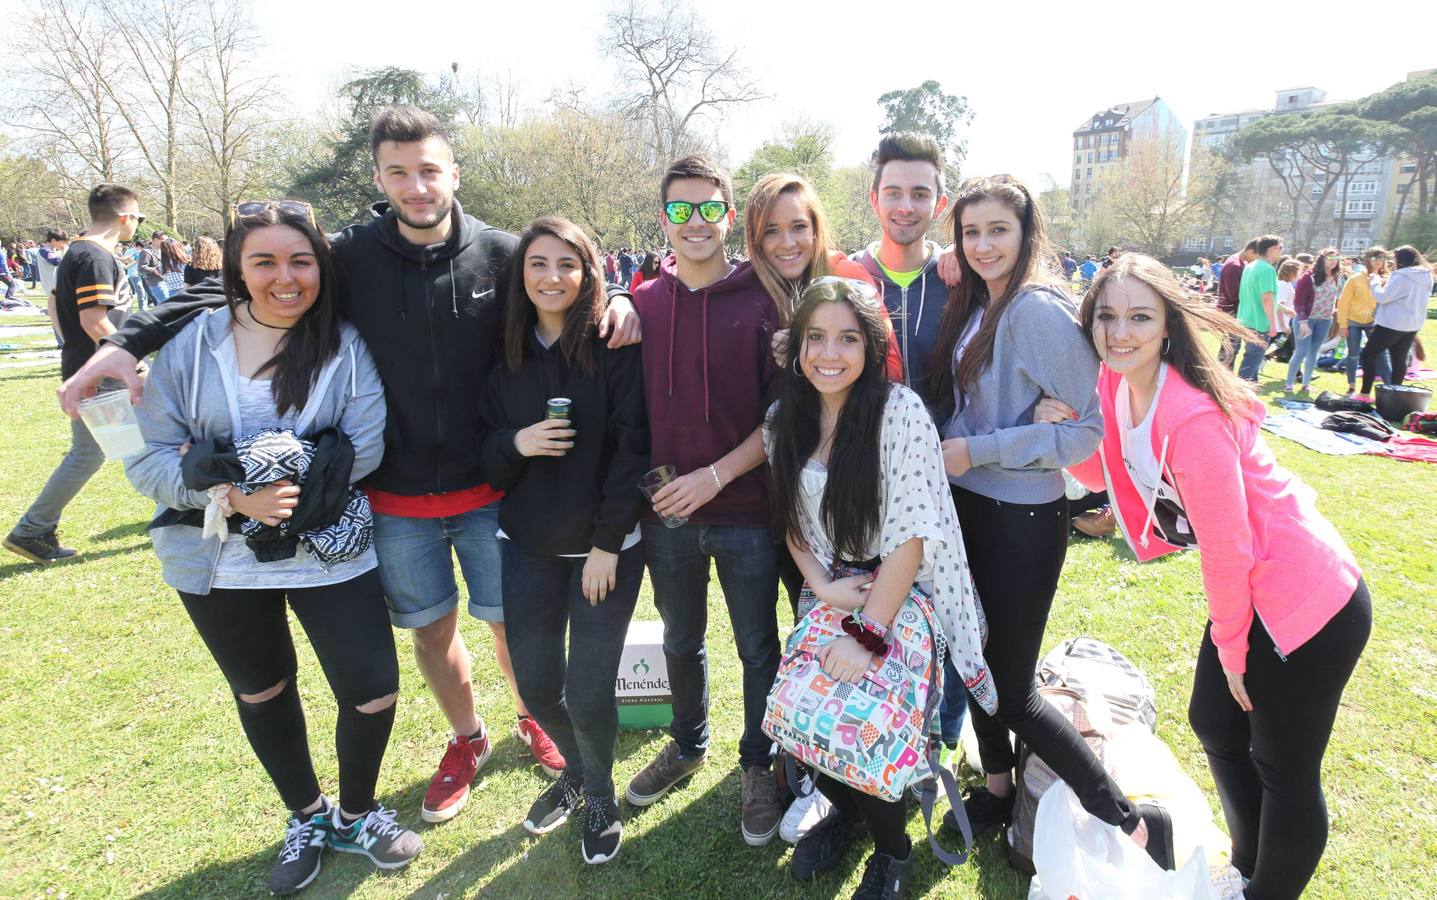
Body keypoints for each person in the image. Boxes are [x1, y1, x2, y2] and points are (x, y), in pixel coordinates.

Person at [55, 105, 643, 826]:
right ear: (379, 178)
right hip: (394, 497)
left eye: (429, 170)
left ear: (452, 172)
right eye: (399, 172)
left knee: (509, 626)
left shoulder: (502, 252)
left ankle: (535, 720)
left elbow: (570, 277)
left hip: (497, 488)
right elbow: (245, 282)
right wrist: (127, 340)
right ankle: (467, 737)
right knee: (433, 630)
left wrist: (616, 296)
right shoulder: (349, 254)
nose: (417, 186)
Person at [1038, 253, 1369, 900]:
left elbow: (1228, 548)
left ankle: (1261, 892)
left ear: (1166, 325)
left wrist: (1232, 648)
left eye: (1139, 317)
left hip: (1307, 599)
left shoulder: (1190, 418)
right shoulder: (1114, 386)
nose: (1119, 331)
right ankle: (1244, 871)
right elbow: (1105, 477)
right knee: (1214, 722)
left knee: (1283, 765)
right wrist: (1063, 433)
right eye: (1106, 316)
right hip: (1255, 592)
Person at [123, 201, 423, 895]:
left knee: (372, 689)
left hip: (332, 551)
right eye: (263, 262)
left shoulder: (344, 345)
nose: (284, 278)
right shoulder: (195, 346)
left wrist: (290, 481)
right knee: (262, 689)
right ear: (237, 269)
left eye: (299, 260)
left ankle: (356, 813)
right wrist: (232, 494)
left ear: (320, 266)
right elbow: (147, 459)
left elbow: (368, 442)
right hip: (219, 562)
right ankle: (306, 815)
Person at [926, 175, 1171, 866]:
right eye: (970, 232)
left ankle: (1131, 818)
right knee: (971, 657)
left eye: (996, 230)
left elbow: (1085, 432)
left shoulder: (1034, 308)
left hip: (1019, 516)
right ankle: (1000, 789)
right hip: (970, 503)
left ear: (1025, 232)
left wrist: (984, 447)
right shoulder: (980, 298)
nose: (981, 245)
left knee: (1011, 686)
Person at [765, 277, 996, 898]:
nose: (828, 354)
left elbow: (913, 537)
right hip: (831, 591)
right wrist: (823, 588)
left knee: (870, 724)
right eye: (815, 337)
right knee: (808, 719)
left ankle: (895, 854)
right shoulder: (783, 416)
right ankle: (846, 814)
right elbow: (789, 518)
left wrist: (867, 632)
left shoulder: (899, 412)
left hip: (899, 597)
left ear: (870, 346)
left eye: (847, 339)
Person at [625, 153, 784, 846]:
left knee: (756, 647)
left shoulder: (763, 301)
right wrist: (623, 299)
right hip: (668, 518)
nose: (695, 223)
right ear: (663, 217)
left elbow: (780, 421)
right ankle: (687, 746)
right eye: (680, 210)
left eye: (708, 209)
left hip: (746, 510)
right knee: (680, 641)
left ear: (728, 215)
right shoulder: (640, 302)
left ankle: (758, 764)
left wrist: (716, 476)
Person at [742, 170, 905, 843]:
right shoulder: (743, 294)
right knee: (803, 627)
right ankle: (804, 758)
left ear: (819, 229)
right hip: (785, 505)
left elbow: (886, 380)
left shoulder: (847, 286)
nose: (786, 241)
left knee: (859, 630)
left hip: (859, 512)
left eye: (798, 226)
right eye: (770, 229)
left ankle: (873, 760)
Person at [480, 217, 649, 865]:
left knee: (587, 688)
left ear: (588, 273)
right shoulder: (505, 353)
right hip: (527, 543)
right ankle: (577, 771)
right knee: (537, 681)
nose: (552, 278)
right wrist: (516, 443)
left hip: (604, 549)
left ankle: (600, 794)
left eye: (566, 265)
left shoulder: (613, 343)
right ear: (521, 276)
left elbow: (634, 448)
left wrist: (607, 543)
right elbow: (484, 457)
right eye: (537, 265)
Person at [3, 185, 138, 565]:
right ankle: (32, 528)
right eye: (137, 218)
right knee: (159, 436)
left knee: (95, 452)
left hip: (92, 367)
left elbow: (60, 314)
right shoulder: (94, 256)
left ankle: (33, 529)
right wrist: (130, 361)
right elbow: (94, 320)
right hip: (104, 370)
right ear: (126, 216)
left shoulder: (79, 253)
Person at [851, 132, 952, 400]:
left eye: (920, 194)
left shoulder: (961, 282)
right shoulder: (847, 280)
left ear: (939, 205)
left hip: (947, 441)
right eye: (893, 193)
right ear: (875, 201)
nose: (906, 207)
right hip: (865, 440)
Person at [1356, 245, 1433, 400]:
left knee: (1367, 355)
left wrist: (1375, 282)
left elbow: (1383, 297)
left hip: (1392, 323)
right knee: (1399, 359)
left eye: (1394, 259)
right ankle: (1394, 395)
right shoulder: (1426, 275)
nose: (1392, 262)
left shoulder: (1401, 275)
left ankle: (1365, 393)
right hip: (1412, 324)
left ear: (1401, 260)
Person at [1335, 246, 1391, 394]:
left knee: (1381, 354)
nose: (1378, 262)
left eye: (1381, 259)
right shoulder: (1355, 278)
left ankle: (1390, 386)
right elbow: (1343, 302)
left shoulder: (1387, 279)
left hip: (1375, 322)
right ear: (1368, 259)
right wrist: (1343, 324)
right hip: (1353, 321)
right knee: (1353, 354)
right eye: (1375, 258)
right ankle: (1351, 385)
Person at [1285, 250, 1340, 395]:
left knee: (1314, 352)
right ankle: (1289, 383)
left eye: (1336, 258)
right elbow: (1299, 302)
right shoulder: (1309, 278)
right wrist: (1303, 321)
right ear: (1322, 260)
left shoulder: (1337, 277)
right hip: (1306, 320)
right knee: (1300, 352)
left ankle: (1306, 383)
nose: (1334, 261)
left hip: (1325, 320)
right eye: (1330, 258)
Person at [1235, 235, 1284, 382]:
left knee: (1252, 362)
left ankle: (1250, 397)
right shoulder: (1267, 270)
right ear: (1272, 249)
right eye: (1280, 248)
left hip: (1246, 319)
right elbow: (1266, 298)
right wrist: (1273, 324)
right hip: (1259, 323)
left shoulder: (1250, 266)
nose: (1282, 251)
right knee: (1250, 366)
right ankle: (1239, 397)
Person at [1217, 240, 1258, 369]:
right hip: (1232, 312)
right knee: (1229, 349)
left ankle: (1223, 378)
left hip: (1233, 311)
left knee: (1230, 349)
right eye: (1257, 257)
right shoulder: (1235, 266)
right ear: (1250, 251)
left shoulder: (1237, 261)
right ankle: (1221, 379)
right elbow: (1233, 295)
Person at [36, 229, 69, 348]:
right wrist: (65, 251)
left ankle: (64, 341)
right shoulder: (44, 250)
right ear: (54, 240)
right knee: (58, 315)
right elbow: (58, 261)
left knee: (62, 314)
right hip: (52, 287)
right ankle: (62, 342)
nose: (63, 244)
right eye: (62, 242)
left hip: (57, 286)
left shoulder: (51, 250)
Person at [140, 231, 168, 304]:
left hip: (165, 281)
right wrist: (155, 270)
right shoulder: (146, 252)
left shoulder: (162, 251)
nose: (165, 243)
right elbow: (141, 268)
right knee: (165, 305)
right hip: (155, 283)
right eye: (163, 241)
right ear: (156, 240)